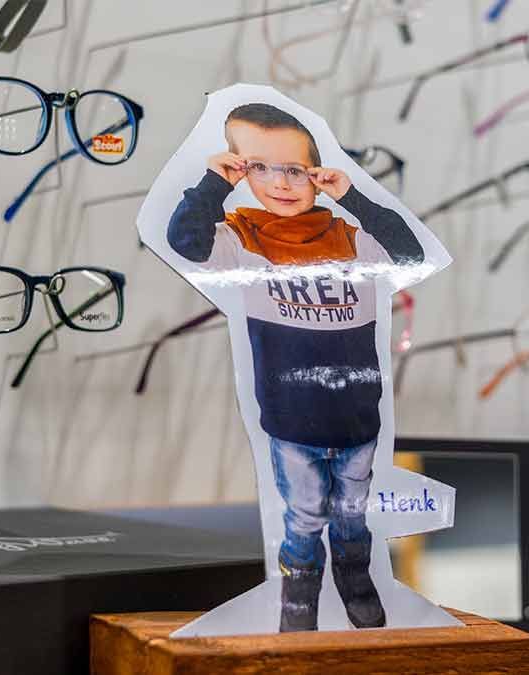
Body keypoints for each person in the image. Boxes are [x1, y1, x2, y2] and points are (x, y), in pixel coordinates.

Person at [167, 103, 423, 632]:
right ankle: (299, 599)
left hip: (358, 422)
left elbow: (409, 252)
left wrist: (349, 196)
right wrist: (213, 184)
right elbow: (184, 243)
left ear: (318, 172)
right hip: (290, 426)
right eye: (259, 167)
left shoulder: (354, 239)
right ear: (240, 170)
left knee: (353, 520)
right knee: (304, 520)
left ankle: (356, 583)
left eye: (295, 170)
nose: (281, 183)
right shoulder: (238, 239)